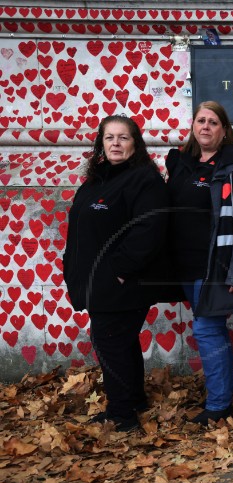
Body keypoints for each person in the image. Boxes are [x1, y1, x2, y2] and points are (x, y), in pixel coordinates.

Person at [63, 115, 169, 432]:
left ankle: (122, 415)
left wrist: (119, 271)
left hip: (123, 282)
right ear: (101, 143)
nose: (115, 144)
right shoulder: (96, 181)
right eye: (109, 138)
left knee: (110, 341)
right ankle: (133, 400)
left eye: (123, 138)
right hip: (97, 281)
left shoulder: (144, 180)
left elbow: (150, 229)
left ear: (135, 143)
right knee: (119, 341)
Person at [165, 101, 233, 425]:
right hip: (182, 266)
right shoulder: (182, 164)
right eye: (200, 120)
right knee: (210, 329)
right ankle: (218, 398)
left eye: (213, 122)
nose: (205, 126)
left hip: (214, 268)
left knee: (207, 329)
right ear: (194, 126)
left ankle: (219, 405)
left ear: (224, 130)